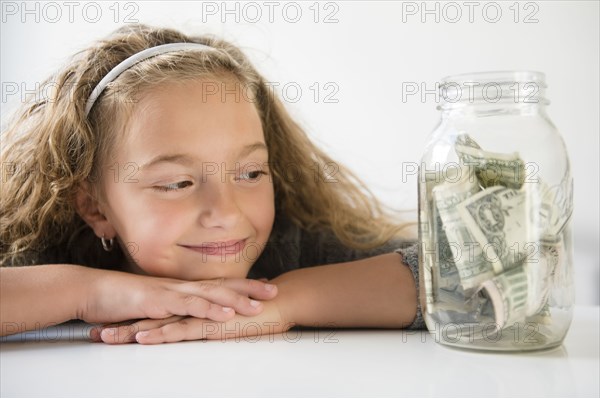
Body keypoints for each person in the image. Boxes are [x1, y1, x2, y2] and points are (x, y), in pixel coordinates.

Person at [0, 24, 423, 344]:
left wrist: (285, 302)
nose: (226, 213)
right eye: (177, 183)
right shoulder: (41, 254)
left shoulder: (293, 246)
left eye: (251, 174)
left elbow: (476, 273)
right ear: (95, 208)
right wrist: (88, 291)